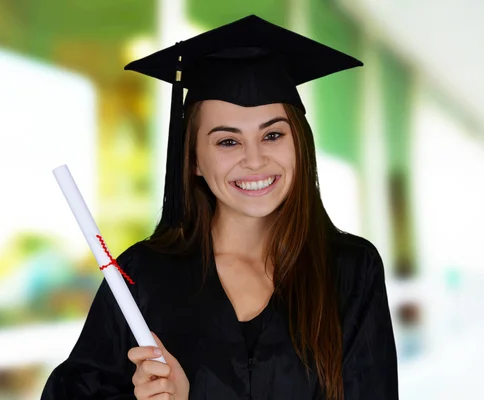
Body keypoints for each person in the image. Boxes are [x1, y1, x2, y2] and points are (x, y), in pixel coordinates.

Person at [41, 15, 398, 400]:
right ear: (193, 159)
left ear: (300, 145)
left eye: (273, 134)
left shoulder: (350, 271)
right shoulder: (143, 276)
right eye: (228, 142)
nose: (255, 160)